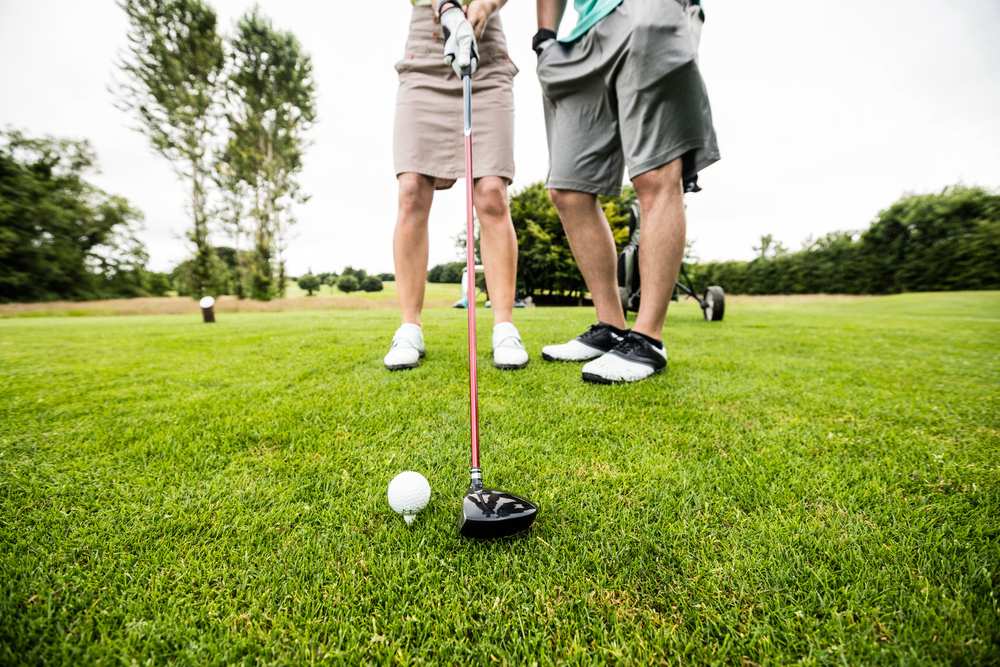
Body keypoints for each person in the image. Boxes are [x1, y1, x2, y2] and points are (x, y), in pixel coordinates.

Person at [533, 0, 719, 383]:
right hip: (577, 37)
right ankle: (610, 326)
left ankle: (648, 338)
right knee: (569, 190)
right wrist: (545, 39)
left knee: (654, 175)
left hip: (647, 9)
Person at [385, 0, 528, 371]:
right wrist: (447, 7)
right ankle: (409, 327)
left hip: (486, 49)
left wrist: (482, 7)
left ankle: (504, 326)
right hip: (425, 52)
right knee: (412, 188)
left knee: (492, 191)